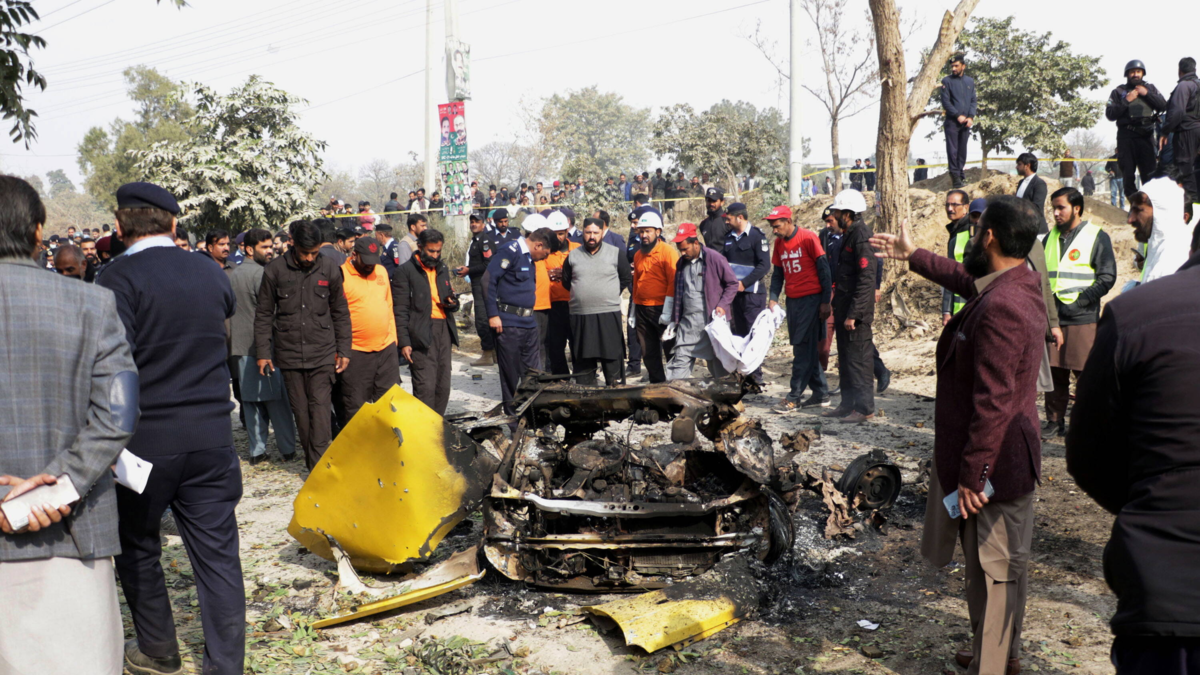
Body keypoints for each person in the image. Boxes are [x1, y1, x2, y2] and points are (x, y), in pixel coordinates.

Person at [871, 196, 1044, 675]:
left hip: (996, 468)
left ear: (988, 237)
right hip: (998, 462)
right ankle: (1000, 655)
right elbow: (967, 281)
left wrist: (973, 475)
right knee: (995, 571)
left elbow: (994, 402)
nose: (971, 235)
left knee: (994, 574)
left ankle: (992, 665)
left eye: (977, 226)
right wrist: (913, 255)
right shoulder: (1018, 282)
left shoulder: (1003, 306)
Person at [97, 182, 245, 675]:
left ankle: (159, 649)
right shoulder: (209, 271)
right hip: (212, 435)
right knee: (219, 559)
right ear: (174, 223)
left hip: (145, 443)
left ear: (120, 226)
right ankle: (225, 666)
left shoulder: (116, 278)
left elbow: (110, 364)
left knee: (138, 547)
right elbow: (219, 321)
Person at [0, 176, 137, 675]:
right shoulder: (91, 303)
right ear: (39, 231)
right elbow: (119, 412)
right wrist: (56, 489)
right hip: (72, 531)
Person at [1065, 227, 1200, 675]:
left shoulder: (1134, 313)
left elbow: (1088, 455)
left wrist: (1148, 501)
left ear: (1193, 247)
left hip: (1164, 588)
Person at [254, 220, 351, 470]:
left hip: (322, 353)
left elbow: (340, 311)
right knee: (302, 414)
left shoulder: (329, 268)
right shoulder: (275, 270)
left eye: (314, 253)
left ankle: (320, 471)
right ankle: (316, 466)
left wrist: (344, 349)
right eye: (305, 253)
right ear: (293, 245)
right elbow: (263, 314)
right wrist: (263, 352)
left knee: (320, 411)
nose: (310, 258)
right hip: (289, 355)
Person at [1041, 187, 1116, 439]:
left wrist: (1081, 302)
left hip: (1082, 318)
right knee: (1054, 373)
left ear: (1076, 208)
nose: (1055, 213)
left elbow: (1107, 277)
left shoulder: (1097, 236)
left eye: (1060, 207)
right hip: (1053, 318)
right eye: (1053, 208)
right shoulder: (1049, 238)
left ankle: (1087, 423)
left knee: (1086, 375)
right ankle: (1054, 421)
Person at [228, 228, 296, 464]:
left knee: (251, 403)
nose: (271, 251)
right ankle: (287, 448)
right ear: (249, 249)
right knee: (277, 402)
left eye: (271, 246)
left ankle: (257, 451)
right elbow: (272, 313)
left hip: (240, 347)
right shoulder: (262, 275)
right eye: (265, 247)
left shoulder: (233, 274)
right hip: (264, 347)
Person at [766, 205, 832, 413]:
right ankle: (821, 393)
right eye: (772, 227)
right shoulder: (779, 244)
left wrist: (826, 301)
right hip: (793, 301)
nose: (774, 231)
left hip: (811, 301)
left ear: (788, 221)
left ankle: (793, 397)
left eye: (777, 226)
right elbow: (778, 274)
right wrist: (773, 298)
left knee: (802, 351)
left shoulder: (808, 238)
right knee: (805, 348)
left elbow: (824, 270)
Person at [484, 226, 556, 415]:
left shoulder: (528, 258)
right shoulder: (510, 252)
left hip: (529, 323)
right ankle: (513, 420)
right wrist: (492, 315)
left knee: (534, 375)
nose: (544, 258)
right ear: (538, 245)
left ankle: (534, 417)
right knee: (511, 377)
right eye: (545, 254)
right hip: (509, 324)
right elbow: (488, 281)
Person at [821, 190, 877, 424]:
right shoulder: (849, 234)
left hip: (856, 314)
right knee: (845, 359)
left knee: (859, 361)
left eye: (836, 212)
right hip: (844, 310)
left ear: (848, 213)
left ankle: (864, 409)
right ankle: (847, 404)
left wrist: (854, 314)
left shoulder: (861, 236)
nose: (833, 216)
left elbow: (866, 279)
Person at [393, 228, 459, 415]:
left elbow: (448, 296)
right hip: (420, 333)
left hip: (444, 330)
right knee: (425, 387)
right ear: (420, 247)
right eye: (431, 251)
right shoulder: (405, 272)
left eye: (438, 251)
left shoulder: (442, 268)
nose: (435, 255)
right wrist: (404, 342)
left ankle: (437, 425)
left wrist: (453, 303)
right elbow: (400, 310)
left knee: (443, 386)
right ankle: (424, 428)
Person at [662, 222, 739, 380]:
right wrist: (674, 320)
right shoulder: (681, 263)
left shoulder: (715, 258)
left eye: (685, 249)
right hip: (687, 325)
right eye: (680, 249)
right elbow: (679, 294)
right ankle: (674, 393)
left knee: (721, 370)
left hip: (711, 324)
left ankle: (728, 393)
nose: (682, 253)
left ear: (695, 243)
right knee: (678, 367)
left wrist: (722, 305)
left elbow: (732, 283)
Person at [560, 217, 631, 386]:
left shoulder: (615, 253)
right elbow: (566, 281)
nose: (592, 236)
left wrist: (608, 294)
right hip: (581, 316)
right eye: (588, 232)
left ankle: (616, 394)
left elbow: (626, 278)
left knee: (612, 359)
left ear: (602, 233)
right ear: (583, 233)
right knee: (583, 361)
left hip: (608, 315)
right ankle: (587, 395)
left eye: (595, 233)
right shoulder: (573, 256)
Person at [339, 237, 401, 423]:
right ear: (354, 254)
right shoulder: (341, 275)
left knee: (390, 402)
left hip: (386, 348)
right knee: (356, 406)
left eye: (373, 261)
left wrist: (393, 338)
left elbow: (389, 305)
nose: (370, 266)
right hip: (356, 351)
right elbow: (335, 316)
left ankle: (388, 440)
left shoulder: (381, 270)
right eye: (366, 261)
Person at [720, 201, 771, 385]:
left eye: (729, 218)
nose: (726, 222)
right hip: (734, 295)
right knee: (739, 334)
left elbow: (764, 265)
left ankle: (756, 376)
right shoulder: (728, 238)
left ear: (740, 218)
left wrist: (744, 283)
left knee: (753, 334)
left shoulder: (757, 237)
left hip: (753, 295)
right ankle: (743, 374)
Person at [631, 211, 679, 384]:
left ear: (658, 232)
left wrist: (668, 311)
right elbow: (636, 283)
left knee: (671, 349)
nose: (643, 235)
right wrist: (633, 309)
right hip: (642, 310)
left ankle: (676, 385)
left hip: (662, 309)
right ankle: (657, 384)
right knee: (648, 351)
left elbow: (673, 283)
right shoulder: (638, 254)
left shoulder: (668, 252)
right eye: (641, 231)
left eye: (648, 231)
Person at [1127, 176, 1189, 286]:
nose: (1130, 219)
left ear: (1161, 212)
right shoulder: (1159, 247)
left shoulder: (1175, 256)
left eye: (1138, 211)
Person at [456, 213, 498, 367]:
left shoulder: (484, 241)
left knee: (482, 319)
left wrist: (469, 270)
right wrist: (466, 269)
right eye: (472, 222)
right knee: (484, 318)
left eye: (477, 222)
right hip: (477, 284)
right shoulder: (475, 241)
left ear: (483, 224)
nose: (474, 224)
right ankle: (494, 354)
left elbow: (489, 264)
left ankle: (488, 353)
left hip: (483, 285)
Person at [543, 211, 580, 375]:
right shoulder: (544, 252)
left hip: (575, 304)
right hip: (553, 306)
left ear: (567, 231)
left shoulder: (578, 250)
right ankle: (561, 378)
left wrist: (566, 274)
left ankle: (582, 376)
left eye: (561, 234)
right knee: (556, 345)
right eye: (554, 234)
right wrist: (547, 274)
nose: (558, 238)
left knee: (577, 343)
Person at [1161, 57, 1200, 202]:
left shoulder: (1184, 86)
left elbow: (1177, 112)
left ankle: (1191, 209)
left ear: (1179, 71)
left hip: (1186, 132)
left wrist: (1165, 131)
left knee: (1185, 172)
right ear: (1195, 69)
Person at [941, 54, 977, 189]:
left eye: (956, 66)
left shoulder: (970, 81)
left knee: (962, 150)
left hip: (966, 122)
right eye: (952, 66)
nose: (954, 69)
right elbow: (946, 102)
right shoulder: (947, 81)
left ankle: (961, 175)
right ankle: (955, 177)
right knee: (953, 151)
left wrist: (971, 117)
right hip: (952, 122)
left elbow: (973, 100)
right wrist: (957, 115)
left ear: (963, 66)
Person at [941, 189, 973, 325]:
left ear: (966, 207)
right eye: (947, 205)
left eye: (955, 205)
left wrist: (946, 311)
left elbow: (951, 273)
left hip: (965, 308)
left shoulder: (966, 233)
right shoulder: (957, 230)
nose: (950, 209)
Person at [1014, 152, 1048, 234]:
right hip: (1023, 229)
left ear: (1027, 166)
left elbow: (1036, 208)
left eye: (1019, 164)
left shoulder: (1039, 184)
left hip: (1036, 230)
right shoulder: (1021, 182)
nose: (1017, 167)